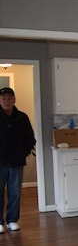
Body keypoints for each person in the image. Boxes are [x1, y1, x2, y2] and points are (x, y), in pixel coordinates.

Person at [0, 87, 36, 233]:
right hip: (0, 162)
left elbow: (30, 139)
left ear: (14, 100)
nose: (6, 101)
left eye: (9, 98)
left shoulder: (22, 117)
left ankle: (12, 220)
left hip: (16, 162)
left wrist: (23, 153)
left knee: (15, 193)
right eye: (3, 98)